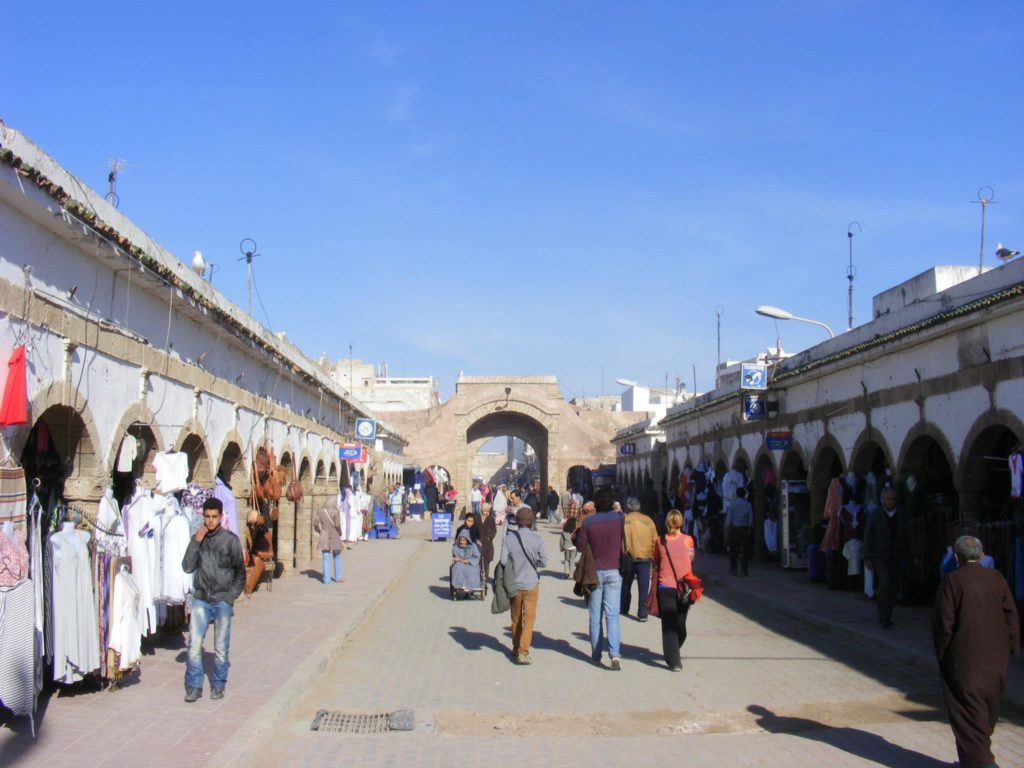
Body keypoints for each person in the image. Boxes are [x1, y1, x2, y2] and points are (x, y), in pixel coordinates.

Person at [932, 535, 1019, 768]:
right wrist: (1012, 648)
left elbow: (944, 623)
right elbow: (1011, 616)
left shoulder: (952, 581)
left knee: (967, 712)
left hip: (965, 659)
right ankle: (974, 761)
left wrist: (942, 654)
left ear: (956, 557)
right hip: (996, 658)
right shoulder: (997, 578)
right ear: (981, 556)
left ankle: (983, 764)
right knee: (986, 708)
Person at [181, 498, 245, 702]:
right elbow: (187, 567)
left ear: (220, 516)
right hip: (200, 598)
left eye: (214, 517)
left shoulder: (230, 540)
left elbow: (240, 573)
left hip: (221, 600)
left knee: (220, 647)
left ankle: (218, 685)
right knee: (194, 645)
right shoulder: (198, 538)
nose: (210, 521)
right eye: (207, 517)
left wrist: (230, 597)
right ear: (203, 516)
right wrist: (195, 542)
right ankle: (194, 686)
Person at [574, 488, 624, 669]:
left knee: (595, 616)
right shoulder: (619, 519)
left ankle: (596, 655)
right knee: (612, 616)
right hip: (613, 571)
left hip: (594, 573)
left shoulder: (589, 523)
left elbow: (580, 547)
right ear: (612, 503)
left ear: (595, 504)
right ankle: (615, 655)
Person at [500, 507, 548, 665]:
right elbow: (544, 562)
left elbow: (502, 561)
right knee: (529, 619)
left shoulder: (509, 538)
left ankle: (515, 647)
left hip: (514, 583)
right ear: (531, 521)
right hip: (531, 583)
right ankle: (523, 651)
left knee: (516, 618)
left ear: (517, 522)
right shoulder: (538, 539)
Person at [653, 510, 696, 671]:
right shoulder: (687, 541)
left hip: (678, 588)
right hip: (672, 587)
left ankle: (672, 649)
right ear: (680, 523)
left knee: (679, 624)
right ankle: (674, 660)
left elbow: (655, 559)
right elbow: (691, 558)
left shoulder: (662, 541)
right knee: (671, 624)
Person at [863, 487, 910, 629]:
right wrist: (867, 557)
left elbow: (909, 536)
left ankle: (888, 615)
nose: (891, 501)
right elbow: (868, 536)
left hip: (896, 555)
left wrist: (912, 554)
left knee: (894, 587)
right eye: (888, 499)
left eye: (893, 499)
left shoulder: (902, 516)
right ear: (883, 500)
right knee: (885, 583)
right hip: (880, 556)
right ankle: (883, 616)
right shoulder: (876, 515)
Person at [621, 496, 658, 621]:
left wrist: (623, 553)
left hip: (629, 557)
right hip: (645, 558)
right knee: (643, 587)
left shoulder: (625, 520)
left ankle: (624, 607)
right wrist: (653, 555)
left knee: (626, 584)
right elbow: (655, 540)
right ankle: (643, 613)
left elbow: (621, 540)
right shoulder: (648, 520)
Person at [723, 487, 754, 576]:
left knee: (733, 550)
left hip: (735, 529)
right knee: (745, 550)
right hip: (744, 529)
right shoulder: (748, 505)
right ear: (744, 494)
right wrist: (749, 529)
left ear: (737, 494)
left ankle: (734, 569)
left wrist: (728, 530)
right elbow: (750, 519)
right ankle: (744, 570)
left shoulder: (732, 505)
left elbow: (729, 519)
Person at [314, 500, 344, 585]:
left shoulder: (321, 511)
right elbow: (337, 525)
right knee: (337, 556)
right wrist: (340, 532)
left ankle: (326, 579)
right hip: (334, 535)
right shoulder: (336, 511)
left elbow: (315, 523)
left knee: (325, 558)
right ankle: (337, 577)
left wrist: (319, 531)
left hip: (324, 534)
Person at [477, 503, 497, 579]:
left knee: (486, 563)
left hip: (487, 544)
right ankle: (477, 578)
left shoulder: (491, 519)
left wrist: (489, 537)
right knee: (478, 563)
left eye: (487, 511)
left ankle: (485, 578)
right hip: (478, 543)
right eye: (485, 511)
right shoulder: (477, 519)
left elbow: (494, 530)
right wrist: (476, 539)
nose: (486, 513)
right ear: (482, 510)